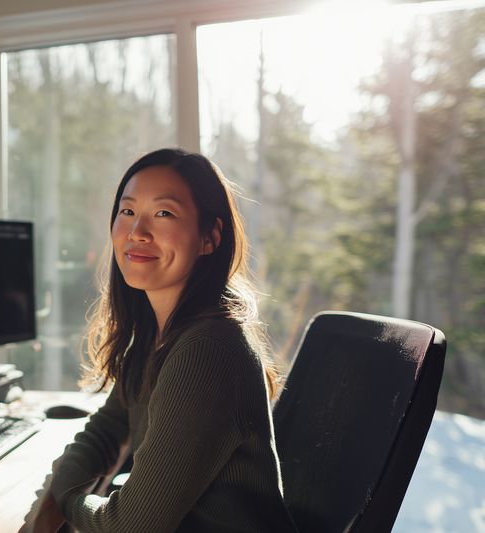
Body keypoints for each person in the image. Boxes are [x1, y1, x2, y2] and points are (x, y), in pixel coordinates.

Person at [20, 148, 298, 533]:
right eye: (128, 211)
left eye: (163, 213)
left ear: (209, 237)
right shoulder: (159, 334)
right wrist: (58, 490)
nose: (137, 232)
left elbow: (131, 527)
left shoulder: (208, 350)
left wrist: (66, 502)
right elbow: (105, 429)